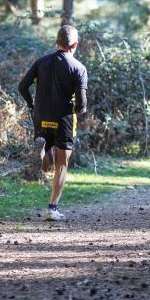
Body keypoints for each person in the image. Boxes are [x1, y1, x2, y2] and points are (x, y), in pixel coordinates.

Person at [18, 25, 88, 222]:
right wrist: (80, 109)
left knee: (47, 157)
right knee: (61, 165)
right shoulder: (79, 68)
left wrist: (31, 104)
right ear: (75, 44)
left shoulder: (41, 62)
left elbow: (22, 86)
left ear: (56, 42)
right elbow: (81, 103)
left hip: (41, 116)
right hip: (64, 119)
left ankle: (44, 149)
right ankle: (52, 209)